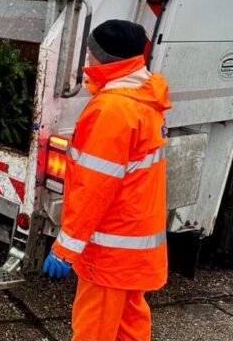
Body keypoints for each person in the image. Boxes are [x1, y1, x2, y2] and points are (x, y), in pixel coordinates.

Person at [42, 19, 171, 341]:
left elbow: (94, 189)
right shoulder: (144, 95)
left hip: (110, 250)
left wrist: (65, 248)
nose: (87, 59)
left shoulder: (112, 110)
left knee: (94, 330)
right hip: (134, 245)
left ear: (102, 58)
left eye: (90, 53)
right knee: (129, 327)